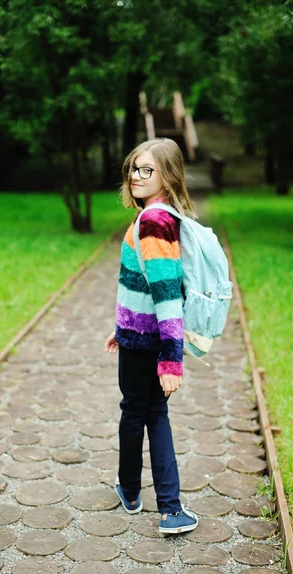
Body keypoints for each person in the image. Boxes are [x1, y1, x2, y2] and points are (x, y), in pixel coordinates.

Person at [104, 138, 199, 534]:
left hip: (152, 342)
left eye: (147, 170)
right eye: (134, 168)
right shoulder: (156, 216)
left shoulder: (155, 221)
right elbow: (140, 284)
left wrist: (171, 360)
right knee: (137, 411)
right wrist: (121, 328)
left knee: (148, 414)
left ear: (168, 175)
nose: (136, 176)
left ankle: (170, 509)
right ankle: (129, 489)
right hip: (135, 337)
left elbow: (167, 296)